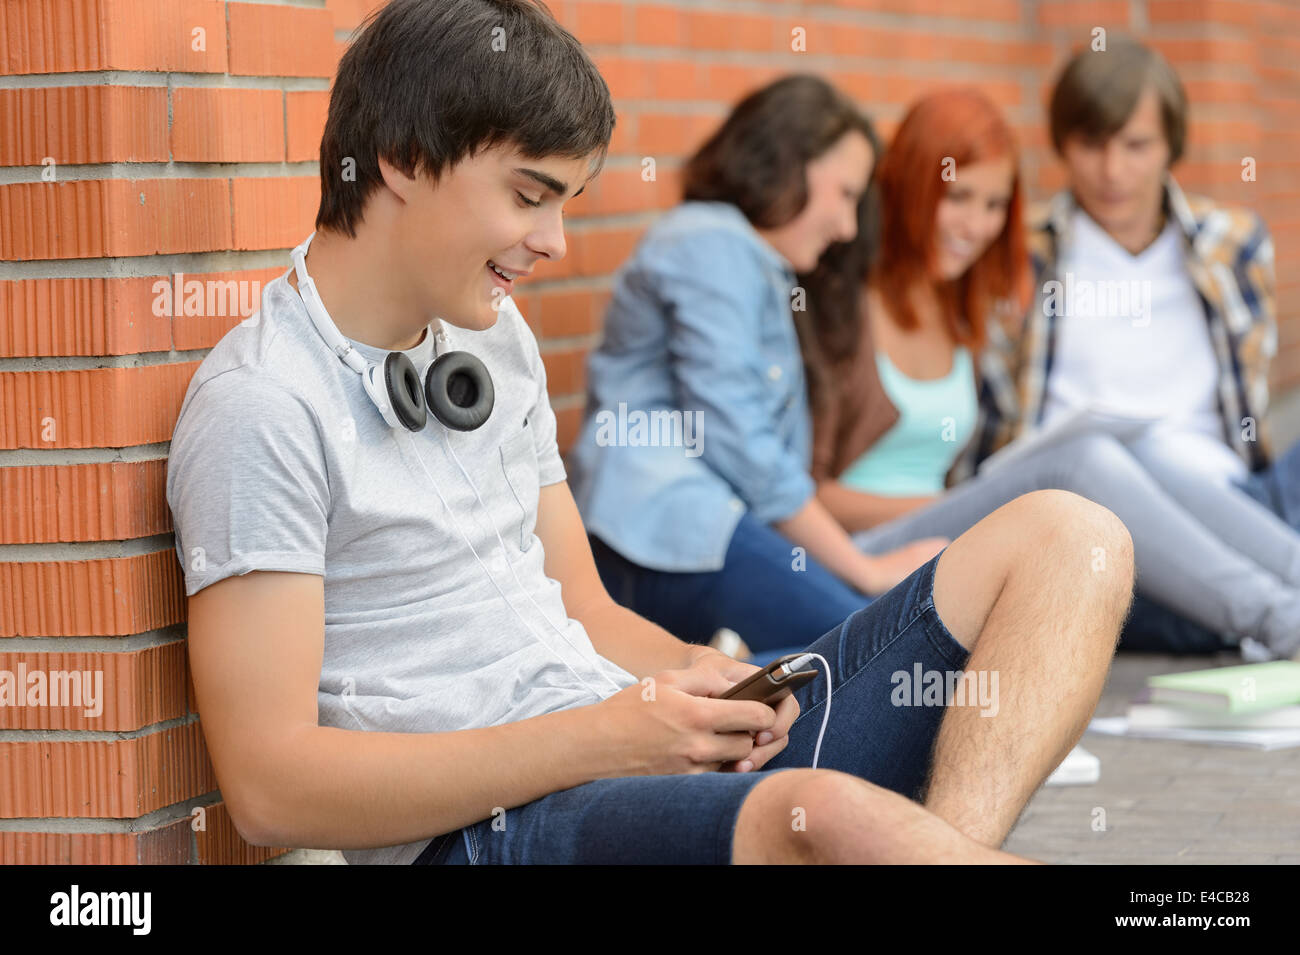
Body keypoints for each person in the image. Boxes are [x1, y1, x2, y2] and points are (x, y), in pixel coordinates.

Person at [167, 1, 1131, 866]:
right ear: (404, 162)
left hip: (626, 748)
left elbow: (587, 611)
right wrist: (607, 737)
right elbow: (270, 789)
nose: (553, 242)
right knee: (828, 819)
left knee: (1072, 539)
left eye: (563, 204)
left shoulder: (490, 340)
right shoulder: (264, 405)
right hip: (493, 825)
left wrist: (698, 676)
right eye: (529, 194)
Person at [800, 85, 1300, 660]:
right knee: (1077, 462)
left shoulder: (961, 308)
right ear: (911, 184)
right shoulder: (841, 306)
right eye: (957, 197)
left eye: (993, 206)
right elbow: (805, 497)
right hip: (864, 554)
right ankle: (1279, 620)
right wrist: (975, 500)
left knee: (1148, 447)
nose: (975, 224)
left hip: (947, 529)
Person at [566, 76, 947, 654]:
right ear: (786, 164)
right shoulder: (709, 242)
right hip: (662, 531)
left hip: (705, 530)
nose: (847, 227)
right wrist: (862, 570)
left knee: (851, 651)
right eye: (845, 193)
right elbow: (740, 441)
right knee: (880, 654)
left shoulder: (755, 260)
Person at [952, 38, 1300, 661]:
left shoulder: (1234, 243)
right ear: (1062, 144)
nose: (1113, 171)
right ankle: (1238, 615)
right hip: (1097, 518)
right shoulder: (1021, 254)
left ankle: (1232, 610)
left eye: (1136, 146)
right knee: (1117, 468)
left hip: (1228, 497)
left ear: (1172, 146)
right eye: (1091, 145)